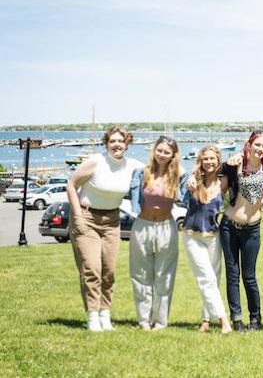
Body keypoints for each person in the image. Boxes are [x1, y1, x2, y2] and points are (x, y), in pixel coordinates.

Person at [65, 126, 144, 331]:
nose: (116, 144)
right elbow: (71, 185)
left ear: (127, 143)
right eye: (112, 141)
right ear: (106, 143)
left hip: (112, 220)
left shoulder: (133, 165)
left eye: (120, 141)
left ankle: (105, 313)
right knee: (92, 269)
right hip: (86, 217)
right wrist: (78, 216)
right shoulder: (95, 162)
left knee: (109, 271)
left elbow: (160, 169)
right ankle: (93, 315)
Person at [128, 135, 189, 331]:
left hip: (166, 227)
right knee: (140, 275)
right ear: (154, 151)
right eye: (159, 150)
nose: (162, 154)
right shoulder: (141, 173)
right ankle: (144, 320)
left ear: (173, 155)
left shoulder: (178, 176)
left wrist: (179, 169)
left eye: (167, 152)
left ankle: (161, 321)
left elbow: (188, 197)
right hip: (142, 226)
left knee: (165, 276)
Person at [220, 130, 263, 332]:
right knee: (232, 275)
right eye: (257, 144)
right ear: (249, 145)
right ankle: (237, 320)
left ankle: (255, 320)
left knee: (249, 276)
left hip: (252, 229)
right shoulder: (235, 164)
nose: (260, 148)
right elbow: (211, 169)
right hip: (229, 226)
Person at [183, 145, 233, 334]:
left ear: (218, 160)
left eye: (212, 158)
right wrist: (190, 178)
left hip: (213, 236)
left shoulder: (223, 182)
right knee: (206, 278)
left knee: (214, 279)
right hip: (192, 236)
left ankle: (205, 321)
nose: (209, 162)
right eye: (205, 159)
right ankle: (223, 321)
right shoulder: (193, 180)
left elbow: (239, 167)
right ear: (200, 161)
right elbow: (180, 185)